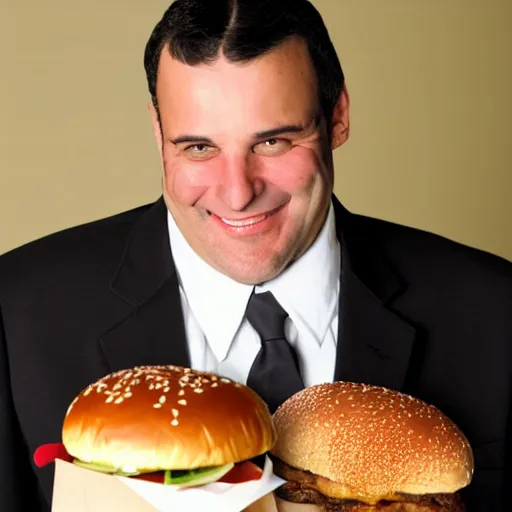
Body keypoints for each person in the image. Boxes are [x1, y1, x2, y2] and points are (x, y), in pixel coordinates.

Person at [1, 0, 510, 510]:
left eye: (272, 141)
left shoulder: (495, 310)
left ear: (337, 117)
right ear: (158, 135)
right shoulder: (18, 309)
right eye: (198, 148)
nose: (238, 192)